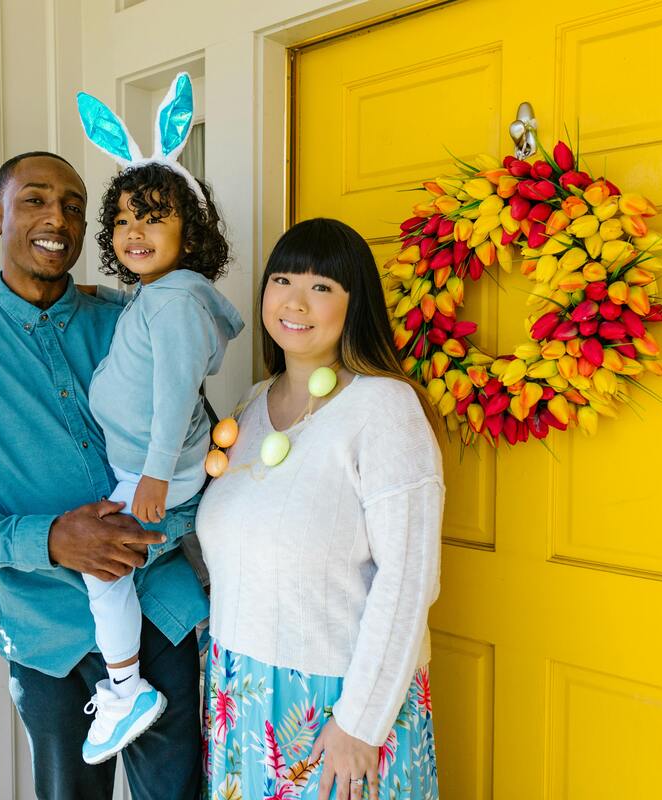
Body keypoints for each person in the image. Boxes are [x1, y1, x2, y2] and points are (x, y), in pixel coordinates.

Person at [0, 151, 207, 800]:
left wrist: (155, 533)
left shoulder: (131, 319)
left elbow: (196, 443)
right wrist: (49, 539)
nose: (55, 216)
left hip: (159, 615)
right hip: (44, 634)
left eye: (73, 205)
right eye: (34, 199)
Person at [197, 218, 446, 800]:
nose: (296, 301)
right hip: (241, 692)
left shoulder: (384, 409)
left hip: (339, 704)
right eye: (283, 279)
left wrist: (360, 722)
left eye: (322, 287)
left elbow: (409, 579)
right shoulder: (251, 406)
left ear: (355, 305)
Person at [80, 160, 242, 763]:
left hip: (158, 469)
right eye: (123, 219)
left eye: (153, 217)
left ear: (189, 236)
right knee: (126, 557)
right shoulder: (161, 296)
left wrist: (152, 473)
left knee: (104, 563)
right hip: (154, 465)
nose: (134, 231)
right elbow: (152, 321)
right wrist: (107, 294)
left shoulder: (173, 304)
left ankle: (126, 690)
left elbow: (175, 393)